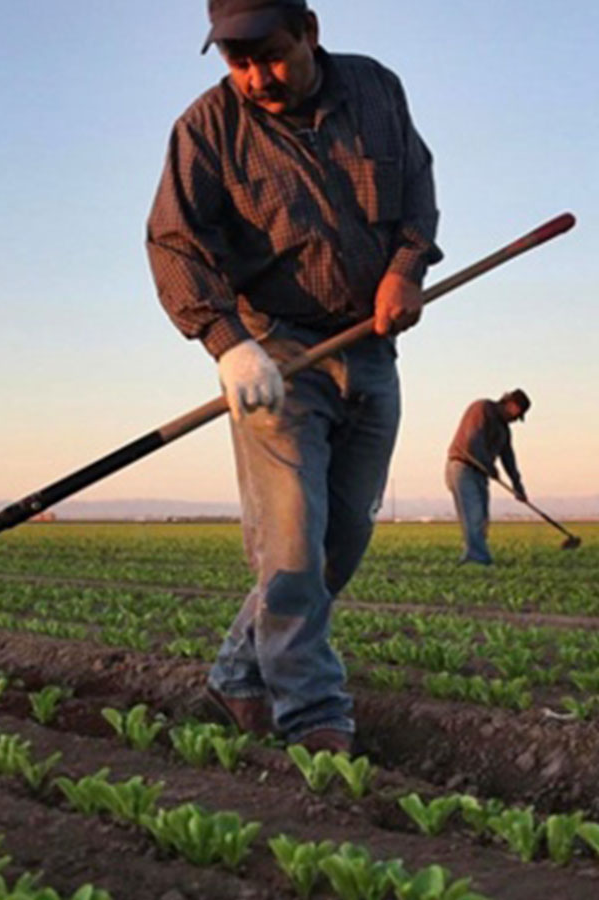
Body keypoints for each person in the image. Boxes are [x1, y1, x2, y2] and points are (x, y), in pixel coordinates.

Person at [147, 0, 440, 753]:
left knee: (342, 541)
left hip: (369, 345)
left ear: (310, 29)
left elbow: (416, 185)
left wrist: (406, 269)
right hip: (274, 350)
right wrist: (226, 342)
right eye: (236, 62)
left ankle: (237, 674)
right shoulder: (206, 129)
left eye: (270, 55)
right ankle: (312, 715)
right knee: (291, 543)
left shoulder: (376, 90)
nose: (254, 77)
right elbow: (174, 243)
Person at [445, 389, 531, 565]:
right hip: (463, 467)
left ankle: (473, 556)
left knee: (482, 518)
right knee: (473, 515)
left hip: (480, 473)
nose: (516, 420)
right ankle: (479, 559)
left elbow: (508, 458)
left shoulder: (504, 430)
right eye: (518, 414)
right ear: (511, 404)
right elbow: (473, 440)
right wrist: (489, 465)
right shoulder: (482, 408)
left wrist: (517, 485)